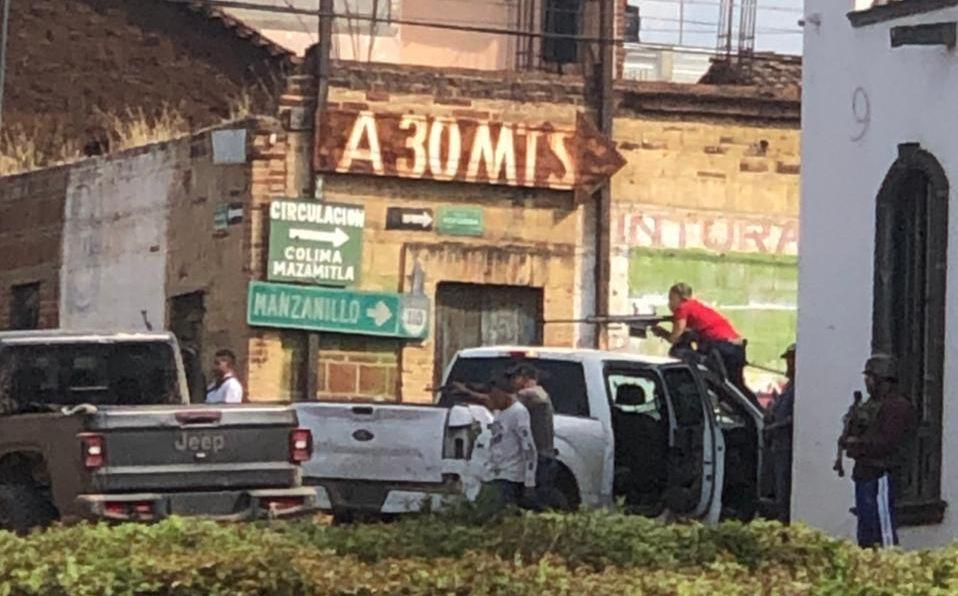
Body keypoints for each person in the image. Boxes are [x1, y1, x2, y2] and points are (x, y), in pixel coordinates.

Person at [842, 354, 916, 548]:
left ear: (883, 380)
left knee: (883, 530)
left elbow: (887, 442)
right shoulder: (870, 405)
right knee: (867, 529)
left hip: (881, 474)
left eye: (871, 377)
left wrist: (858, 444)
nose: (867, 382)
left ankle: (887, 562)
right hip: (865, 474)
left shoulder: (897, 407)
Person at [652, 283, 751, 397]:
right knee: (736, 386)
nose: (669, 303)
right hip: (735, 346)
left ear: (681, 298)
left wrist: (662, 332)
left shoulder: (682, 308)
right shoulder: (696, 306)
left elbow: (675, 338)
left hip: (722, 346)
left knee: (678, 352)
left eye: (671, 299)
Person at [483, 374, 538, 508]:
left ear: (503, 394)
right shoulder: (498, 413)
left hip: (510, 476)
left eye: (494, 396)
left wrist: (529, 481)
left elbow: (529, 448)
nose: (492, 400)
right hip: (494, 474)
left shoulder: (518, 412)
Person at [508, 364, 557, 509]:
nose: (513, 381)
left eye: (516, 378)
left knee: (536, 501)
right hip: (537, 457)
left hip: (540, 458)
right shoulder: (536, 394)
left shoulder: (535, 393)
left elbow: (512, 400)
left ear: (525, 378)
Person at [764, 343, 796, 523]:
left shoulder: (799, 387)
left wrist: (775, 426)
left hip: (787, 447)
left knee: (784, 490)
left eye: (791, 360)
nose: (788, 364)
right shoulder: (789, 386)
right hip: (778, 446)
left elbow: (793, 417)